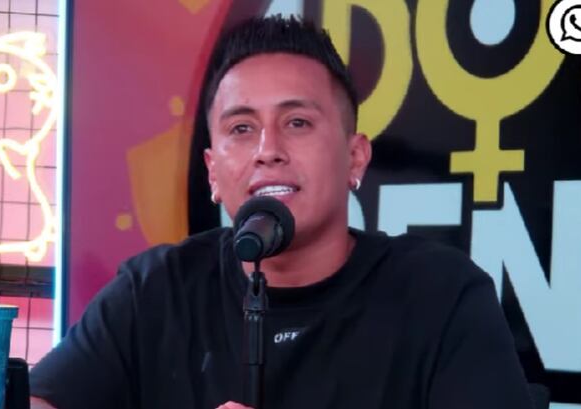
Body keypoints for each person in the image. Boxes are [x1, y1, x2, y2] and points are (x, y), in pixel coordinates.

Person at [29, 15, 533, 409]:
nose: (267, 150)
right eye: (241, 129)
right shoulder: (154, 288)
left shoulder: (440, 294)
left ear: (355, 156)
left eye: (296, 122)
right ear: (211, 171)